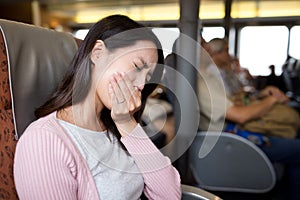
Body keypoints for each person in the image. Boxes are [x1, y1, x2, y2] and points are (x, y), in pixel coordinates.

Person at [13, 15, 181, 200]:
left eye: (148, 78)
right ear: (98, 53)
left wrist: (127, 124)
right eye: (137, 66)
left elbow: (170, 195)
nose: (141, 85)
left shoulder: (115, 128)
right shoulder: (44, 140)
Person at [198, 37, 300, 200]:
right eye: (203, 46)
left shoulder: (208, 76)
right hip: (231, 139)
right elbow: (241, 115)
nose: (208, 49)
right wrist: (271, 100)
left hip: (234, 133)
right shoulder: (200, 82)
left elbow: (235, 102)